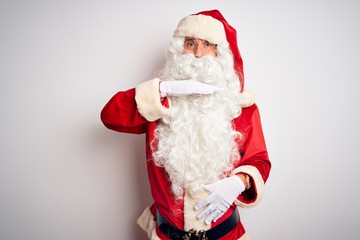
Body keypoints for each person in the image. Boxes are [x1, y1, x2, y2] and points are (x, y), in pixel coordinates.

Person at [101, 9, 271, 240]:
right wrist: (163, 89)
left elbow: (259, 160)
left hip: (225, 236)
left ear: (220, 53)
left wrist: (238, 182)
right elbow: (110, 116)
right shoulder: (158, 104)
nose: (198, 54)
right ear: (179, 48)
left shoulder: (240, 106)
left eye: (208, 44)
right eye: (190, 43)